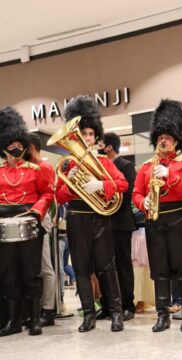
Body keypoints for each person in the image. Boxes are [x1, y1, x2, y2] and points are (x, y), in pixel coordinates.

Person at [56, 95, 129, 333]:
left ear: (96, 136)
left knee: (107, 266)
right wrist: (72, 183)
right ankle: (88, 315)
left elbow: (122, 184)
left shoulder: (105, 162)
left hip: (100, 217)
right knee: (81, 267)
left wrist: (101, 186)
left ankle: (116, 313)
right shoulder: (67, 164)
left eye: (90, 134)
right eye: (83, 133)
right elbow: (60, 196)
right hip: (76, 217)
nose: (86, 138)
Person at [132, 99, 182, 332]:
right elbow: (136, 194)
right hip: (155, 220)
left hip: (180, 218)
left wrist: (171, 174)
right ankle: (162, 315)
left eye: (168, 137)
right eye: (160, 136)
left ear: (176, 140)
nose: (163, 140)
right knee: (159, 270)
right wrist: (144, 202)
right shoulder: (145, 168)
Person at [0, 107, 54, 336]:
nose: (16, 147)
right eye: (10, 143)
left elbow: (47, 194)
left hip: (29, 222)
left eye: (18, 143)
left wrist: (37, 212)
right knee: (8, 273)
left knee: (31, 271)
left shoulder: (36, 170)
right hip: (4, 224)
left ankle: (34, 320)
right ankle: (13, 321)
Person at [97, 132, 137, 321]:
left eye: (100, 143)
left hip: (120, 222)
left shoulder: (126, 166)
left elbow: (127, 193)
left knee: (123, 265)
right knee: (104, 266)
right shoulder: (98, 166)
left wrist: (104, 188)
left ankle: (128, 305)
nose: (98, 146)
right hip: (102, 222)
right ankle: (108, 305)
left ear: (109, 147)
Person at [25, 133, 57, 327]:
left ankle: (47, 309)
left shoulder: (43, 167)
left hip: (39, 219)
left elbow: (48, 196)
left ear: (30, 147)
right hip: (32, 219)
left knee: (45, 266)